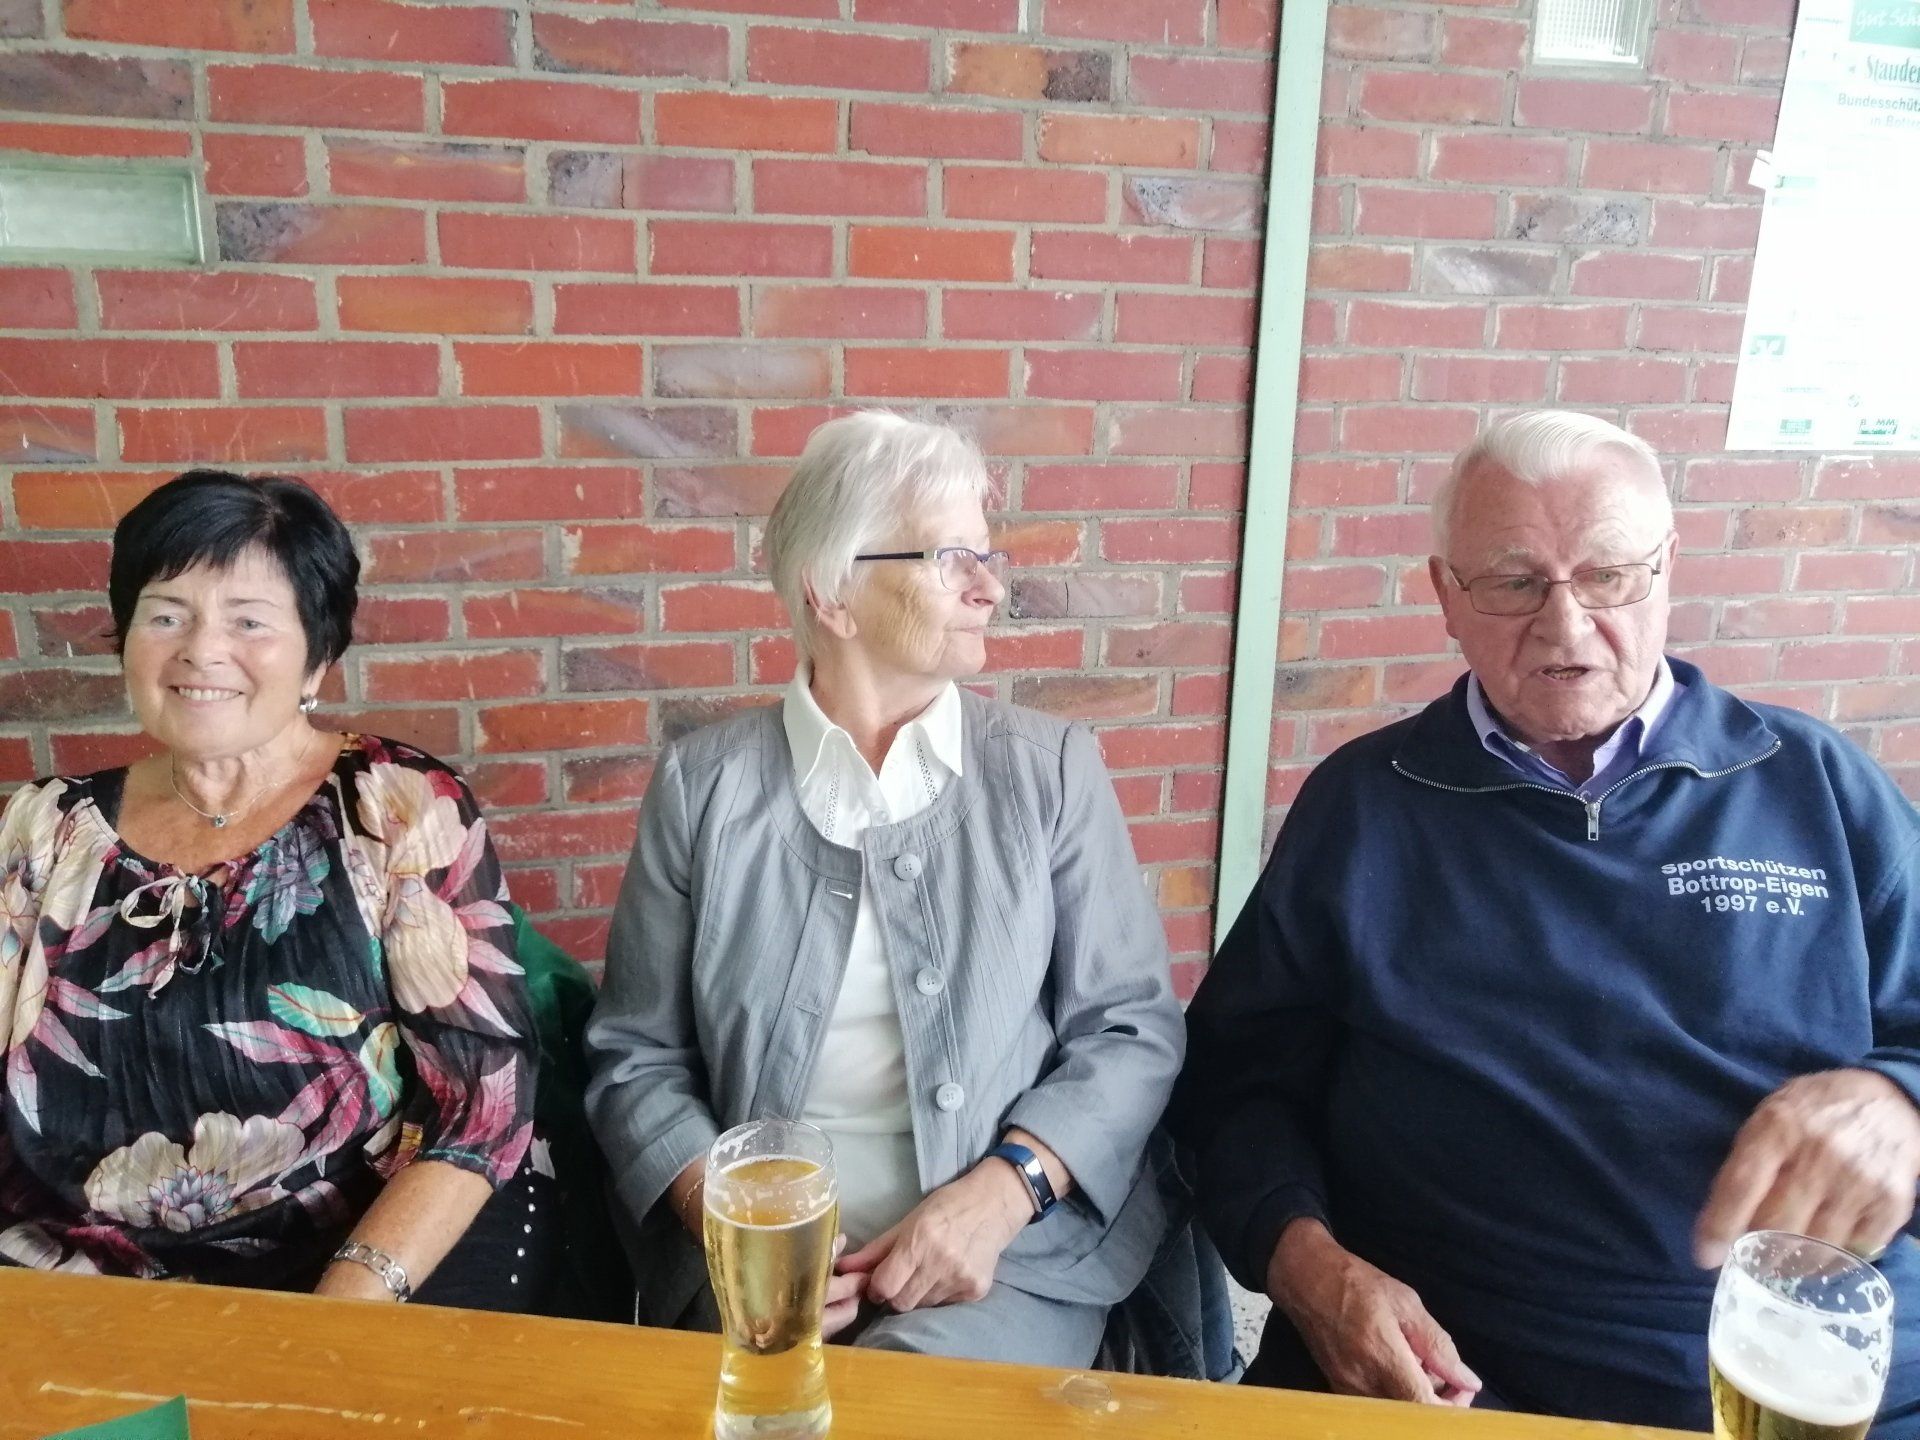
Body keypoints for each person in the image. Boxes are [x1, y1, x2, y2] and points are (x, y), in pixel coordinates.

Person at [1170, 411, 1920, 1430]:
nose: (1566, 627)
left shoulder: (1815, 786)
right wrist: (1308, 1272)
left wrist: (1897, 1099)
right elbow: (1232, 1089)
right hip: (1449, 1373)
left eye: (1607, 576)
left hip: (1796, 1366)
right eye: (1514, 583)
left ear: (1667, 569)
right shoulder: (1366, 804)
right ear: (1446, 594)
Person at [585, 411, 1184, 1365]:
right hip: (757, 1274)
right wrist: (730, 1218)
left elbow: (1131, 1028)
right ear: (832, 592)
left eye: (986, 556)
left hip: (1004, 1265)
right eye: (951, 559)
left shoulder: (1050, 772)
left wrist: (1004, 1192)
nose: (990, 588)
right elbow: (636, 1054)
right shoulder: (704, 788)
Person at [0, 470, 543, 1307]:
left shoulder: (394, 807)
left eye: (248, 620)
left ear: (318, 657)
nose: (201, 650)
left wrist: (343, 1308)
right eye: (166, 615)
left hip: (339, 1267)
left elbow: (482, 1101)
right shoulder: (44, 828)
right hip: (70, 1284)